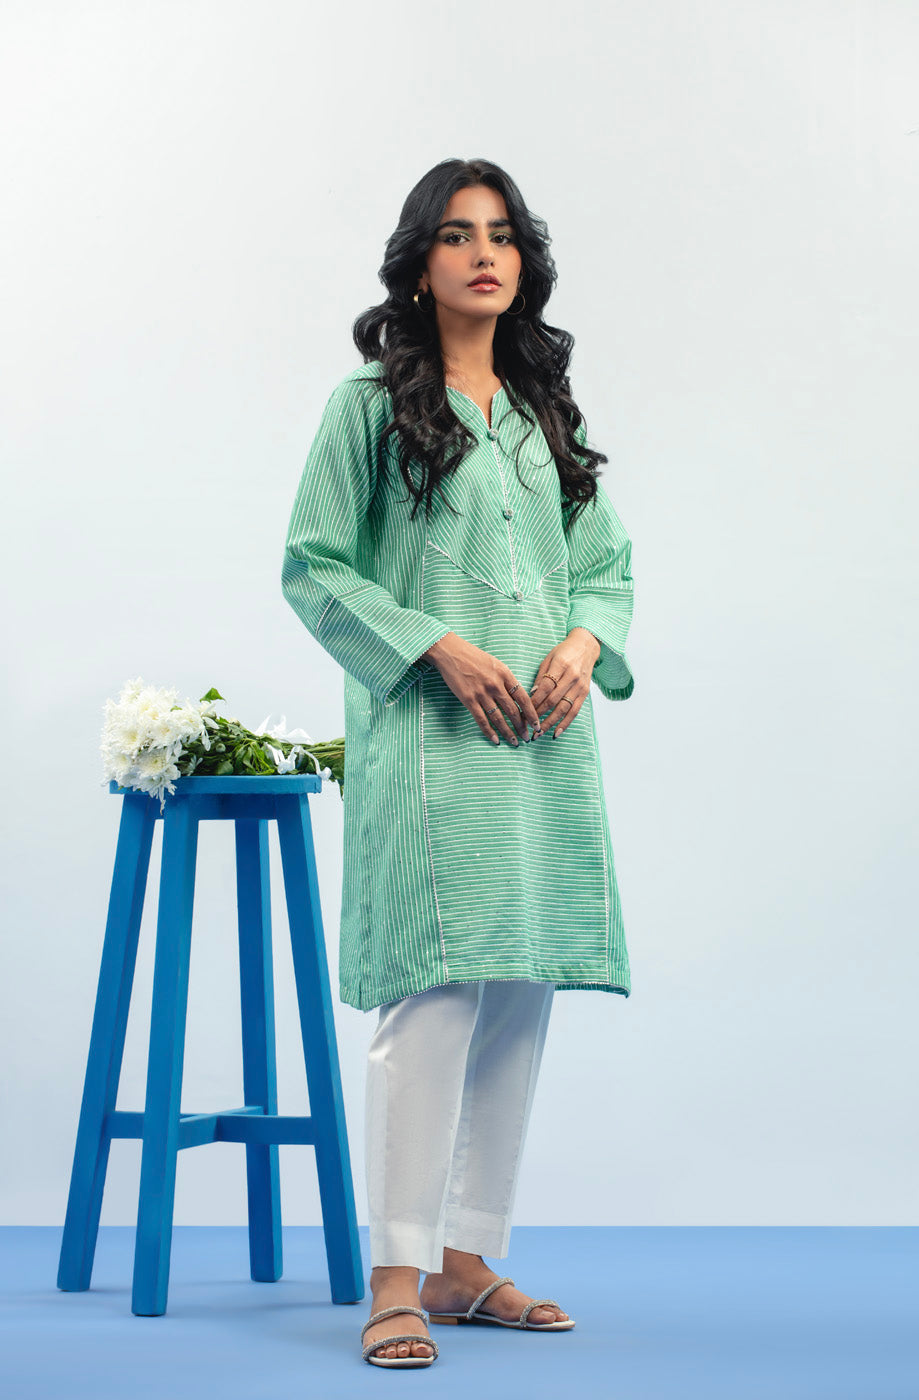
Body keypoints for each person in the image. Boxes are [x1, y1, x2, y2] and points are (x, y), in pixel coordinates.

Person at [281, 157, 635, 1369]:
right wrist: (435, 644)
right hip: (434, 738)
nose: (484, 253)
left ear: (523, 260)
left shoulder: (545, 411)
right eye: (455, 234)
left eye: (501, 234)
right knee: (432, 995)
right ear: (418, 263)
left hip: (542, 740)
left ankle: (467, 1259)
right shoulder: (368, 405)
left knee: (521, 989)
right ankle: (395, 1277)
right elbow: (315, 564)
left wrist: (585, 641)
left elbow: (606, 564)